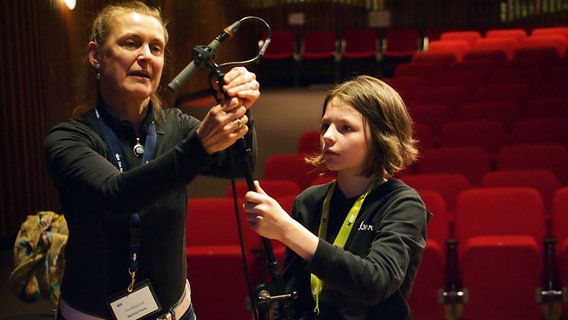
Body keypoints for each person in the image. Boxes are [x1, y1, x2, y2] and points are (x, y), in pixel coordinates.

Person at [44, 1, 260, 319]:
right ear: (96, 55)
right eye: (131, 43)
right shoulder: (68, 139)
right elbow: (117, 195)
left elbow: (239, 164)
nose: (146, 56)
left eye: (156, 48)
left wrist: (241, 109)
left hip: (176, 311)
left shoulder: (177, 125)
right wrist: (199, 148)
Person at [243, 75, 430, 319]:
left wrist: (287, 230)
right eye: (325, 125)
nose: (328, 136)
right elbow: (291, 295)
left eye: (345, 128)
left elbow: (376, 283)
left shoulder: (403, 203)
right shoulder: (309, 201)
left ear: (381, 137)